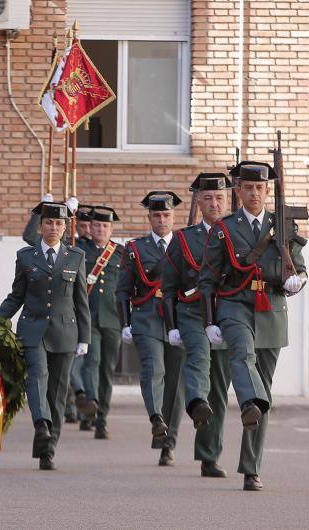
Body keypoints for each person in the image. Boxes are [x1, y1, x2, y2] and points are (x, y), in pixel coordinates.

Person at [198, 162, 306, 491]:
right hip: (235, 306)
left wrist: (296, 281)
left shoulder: (283, 225)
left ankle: (251, 467)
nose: (254, 192)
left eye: (259, 188)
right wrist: (209, 321)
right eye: (248, 187)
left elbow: (299, 268)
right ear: (239, 191)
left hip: (271, 309)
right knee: (242, 357)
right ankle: (249, 404)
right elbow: (207, 278)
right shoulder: (225, 228)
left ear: (267, 191)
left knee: (264, 393)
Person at [0, 202, 90, 471]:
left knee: (58, 393)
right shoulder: (26, 256)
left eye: (59, 223)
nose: (53, 227)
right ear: (40, 226)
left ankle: (48, 450)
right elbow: (17, 296)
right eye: (49, 223)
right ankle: (41, 424)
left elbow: (81, 300)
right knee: (36, 376)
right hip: (33, 330)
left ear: (65, 227)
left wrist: (85, 337)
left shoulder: (76, 256)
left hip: (65, 332)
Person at [161, 173, 234, 479]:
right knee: (198, 360)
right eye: (207, 198)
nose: (214, 203)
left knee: (219, 387)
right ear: (198, 202)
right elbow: (168, 284)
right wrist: (172, 325)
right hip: (192, 312)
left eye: (219, 198)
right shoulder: (183, 239)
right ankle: (195, 402)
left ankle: (208, 456)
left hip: (228, 313)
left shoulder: (238, 233)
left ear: (228, 200)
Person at [116, 191, 185, 467]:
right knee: (154, 369)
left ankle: (168, 444)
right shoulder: (136, 249)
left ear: (173, 217)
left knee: (175, 385)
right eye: (156, 215)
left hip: (178, 319)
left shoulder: (185, 245)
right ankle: (156, 417)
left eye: (166, 215)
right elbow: (122, 290)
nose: (161, 220)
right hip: (147, 318)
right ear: (149, 218)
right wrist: (125, 323)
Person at [78, 206, 125, 439]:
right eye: (97, 225)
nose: (100, 229)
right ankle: (92, 400)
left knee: (107, 370)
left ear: (111, 229)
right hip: (89, 318)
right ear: (91, 227)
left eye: (105, 226)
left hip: (113, 319)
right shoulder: (80, 250)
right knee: (91, 361)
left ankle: (101, 419)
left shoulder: (120, 253)